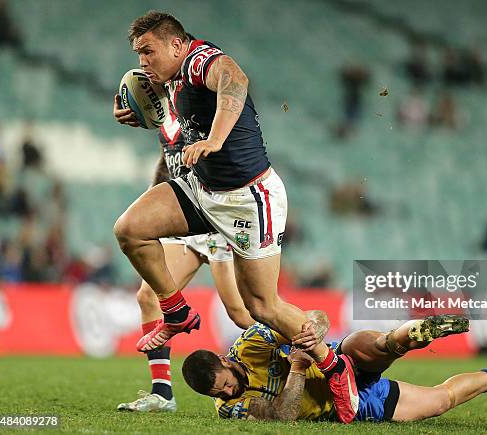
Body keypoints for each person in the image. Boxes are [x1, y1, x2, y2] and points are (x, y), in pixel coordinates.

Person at [112, 11, 358, 422]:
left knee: (261, 308)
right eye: (138, 53)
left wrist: (215, 139)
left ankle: (336, 367)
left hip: (248, 199)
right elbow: (173, 136)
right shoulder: (169, 80)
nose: (142, 61)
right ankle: (175, 312)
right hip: (202, 190)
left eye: (148, 51)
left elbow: (235, 80)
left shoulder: (200, 60)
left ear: (176, 45)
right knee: (130, 230)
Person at [117, 115, 254, 413]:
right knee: (148, 296)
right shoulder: (167, 122)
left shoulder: (198, 107)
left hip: (215, 220)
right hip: (185, 224)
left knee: (242, 313)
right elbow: (167, 165)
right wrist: (151, 205)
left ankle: (301, 353)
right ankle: (162, 393)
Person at [182, 314, 487, 422]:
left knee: (383, 346)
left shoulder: (252, 343)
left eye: (225, 384)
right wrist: (298, 367)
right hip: (345, 405)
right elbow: (284, 415)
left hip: (337, 364)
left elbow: (314, 318)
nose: (229, 392)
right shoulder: (230, 409)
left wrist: (311, 336)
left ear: (226, 360)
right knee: (440, 400)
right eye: (219, 394)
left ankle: (413, 332)